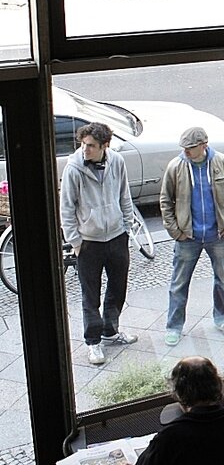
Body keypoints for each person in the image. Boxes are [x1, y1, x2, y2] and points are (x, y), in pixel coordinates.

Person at [59, 122, 138, 365]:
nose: (85, 150)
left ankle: (110, 331)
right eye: (83, 145)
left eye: (91, 146)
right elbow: (67, 208)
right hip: (89, 243)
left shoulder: (117, 162)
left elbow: (124, 195)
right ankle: (93, 343)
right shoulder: (74, 169)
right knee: (90, 296)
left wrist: (127, 227)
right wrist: (76, 241)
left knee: (117, 289)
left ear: (105, 146)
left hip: (116, 237)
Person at [160, 127, 224, 347]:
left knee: (223, 281)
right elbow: (165, 201)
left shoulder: (222, 163)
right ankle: (174, 327)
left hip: (219, 235)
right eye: (184, 148)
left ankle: (223, 318)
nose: (185, 152)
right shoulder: (176, 167)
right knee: (178, 284)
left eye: (190, 148)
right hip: (188, 238)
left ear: (204, 145)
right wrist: (176, 232)